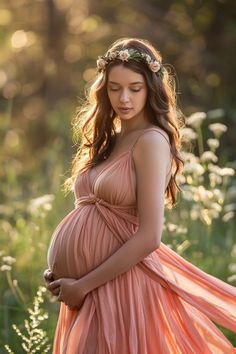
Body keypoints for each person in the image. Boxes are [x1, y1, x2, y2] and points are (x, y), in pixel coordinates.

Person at [44, 37, 236, 353]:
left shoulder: (150, 141)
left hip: (119, 289)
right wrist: (60, 271)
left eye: (135, 88)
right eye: (114, 88)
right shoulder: (111, 139)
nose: (124, 98)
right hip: (87, 290)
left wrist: (82, 284)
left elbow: (149, 237)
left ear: (152, 88)